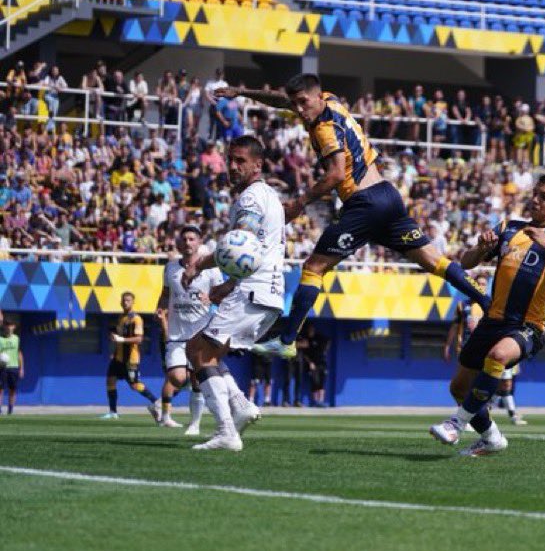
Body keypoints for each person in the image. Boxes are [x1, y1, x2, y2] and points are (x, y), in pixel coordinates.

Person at [214, 74, 490, 359]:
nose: (299, 109)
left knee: (313, 268)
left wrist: (300, 202)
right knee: (435, 261)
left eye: (303, 103)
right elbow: (282, 101)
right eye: (296, 104)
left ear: (317, 96)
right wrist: (242, 92)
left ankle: (287, 340)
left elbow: (335, 174)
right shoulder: (330, 101)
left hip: (364, 204)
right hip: (388, 197)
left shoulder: (325, 129)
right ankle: (486, 300)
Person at [429, 175, 545, 457]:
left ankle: (456, 424)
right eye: (534, 194)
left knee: (499, 356)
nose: (535, 200)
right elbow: (466, 262)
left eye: (544, 197)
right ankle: (492, 438)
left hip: (528, 325)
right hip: (492, 320)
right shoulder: (508, 228)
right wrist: (481, 247)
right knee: (459, 388)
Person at [179, 135, 286, 451]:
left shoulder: (250, 198)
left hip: (253, 290)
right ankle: (241, 406)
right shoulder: (270, 196)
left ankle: (226, 431)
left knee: (198, 353)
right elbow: (257, 250)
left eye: (241, 161)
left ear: (257, 165)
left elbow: (241, 243)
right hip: (267, 293)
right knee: (205, 351)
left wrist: (198, 265)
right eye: (231, 160)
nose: (234, 166)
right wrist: (229, 285)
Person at [155, 225, 226, 435]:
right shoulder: (170, 268)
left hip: (200, 334)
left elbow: (222, 296)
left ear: (199, 242)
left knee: (197, 381)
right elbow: (165, 293)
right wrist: (160, 307)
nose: (188, 243)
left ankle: (194, 424)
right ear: (179, 243)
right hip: (177, 334)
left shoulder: (211, 270)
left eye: (192, 239)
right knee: (177, 378)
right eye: (184, 239)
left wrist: (211, 299)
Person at [101, 292, 161, 421]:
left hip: (130, 359)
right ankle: (113, 412)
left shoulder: (136, 319)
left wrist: (121, 340)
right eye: (124, 300)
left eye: (128, 300)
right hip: (118, 358)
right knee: (110, 380)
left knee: (134, 385)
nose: (125, 302)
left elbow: (139, 339)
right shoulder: (121, 318)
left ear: (133, 302)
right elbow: (119, 338)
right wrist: (115, 349)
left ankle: (157, 402)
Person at [298, 322, 330, 407]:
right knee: (315, 382)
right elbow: (305, 354)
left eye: (312, 330)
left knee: (322, 383)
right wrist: (310, 363)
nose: (311, 331)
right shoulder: (307, 340)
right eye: (309, 330)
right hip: (313, 364)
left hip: (322, 363)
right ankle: (315, 402)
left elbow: (328, 341)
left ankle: (321, 401)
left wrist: (326, 348)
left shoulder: (319, 338)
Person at [0, 320, 23, 415]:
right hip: (2, 368)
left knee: (12, 389)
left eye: (11, 325)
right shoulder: (0, 339)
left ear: (14, 327)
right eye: (7, 325)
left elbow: (19, 353)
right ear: (4, 327)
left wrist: (21, 368)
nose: (9, 327)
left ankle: (10, 410)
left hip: (14, 367)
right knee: (0, 389)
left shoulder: (17, 339)